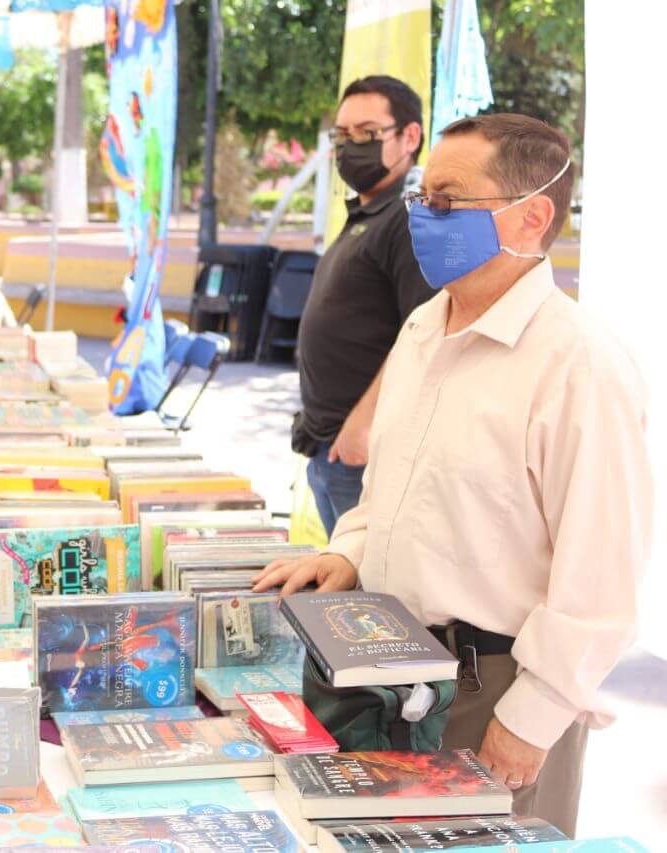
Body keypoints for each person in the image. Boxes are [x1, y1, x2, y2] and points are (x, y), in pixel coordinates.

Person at [255, 113, 651, 837]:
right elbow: (389, 490)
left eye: (447, 200)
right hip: (393, 667)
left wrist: (531, 719)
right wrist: (347, 551)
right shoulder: (423, 328)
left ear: (531, 218)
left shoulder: (578, 364)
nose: (422, 215)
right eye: (421, 197)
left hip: (497, 688)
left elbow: (602, 580)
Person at [294, 76, 434, 535]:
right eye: (342, 136)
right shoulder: (368, 212)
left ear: (409, 137)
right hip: (330, 445)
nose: (351, 147)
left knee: (365, 598)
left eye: (368, 134)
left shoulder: (409, 218)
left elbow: (421, 334)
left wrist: (363, 425)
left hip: (361, 453)